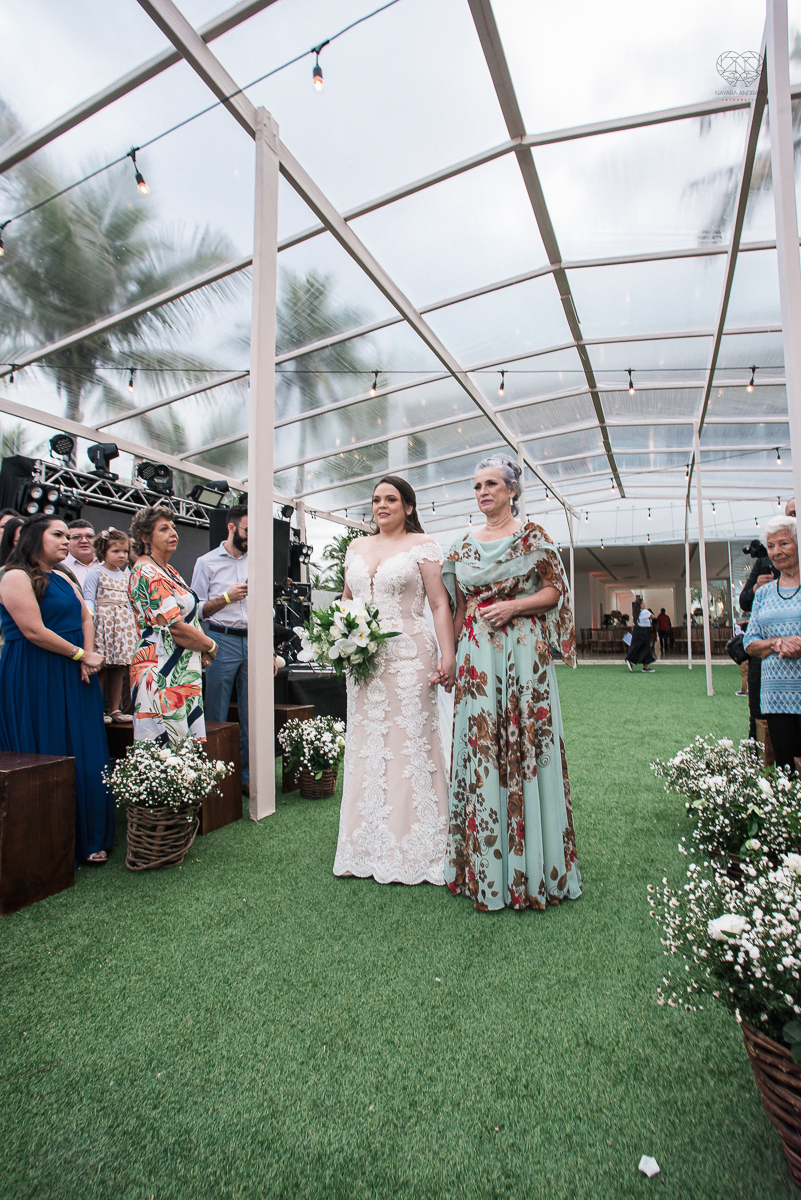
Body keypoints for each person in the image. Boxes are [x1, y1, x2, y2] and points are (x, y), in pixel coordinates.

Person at [442, 455, 581, 912]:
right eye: (477, 486)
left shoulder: (534, 538)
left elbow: (555, 592)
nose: (483, 492)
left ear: (512, 490)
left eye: (491, 484)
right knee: (482, 751)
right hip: (477, 660)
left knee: (528, 747)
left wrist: (515, 607)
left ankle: (535, 868)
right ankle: (483, 868)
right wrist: (450, 659)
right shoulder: (461, 545)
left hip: (524, 656)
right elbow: (458, 609)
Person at [333, 476, 455, 886]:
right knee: (367, 744)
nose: (381, 506)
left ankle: (419, 844)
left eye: (390, 499)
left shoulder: (423, 546)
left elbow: (439, 603)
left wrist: (448, 655)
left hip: (409, 656)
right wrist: (337, 637)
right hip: (362, 661)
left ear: (408, 506)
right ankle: (366, 844)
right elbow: (347, 601)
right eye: (376, 500)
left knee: (410, 743)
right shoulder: (356, 547)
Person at [0, 515, 113, 863]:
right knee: (46, 745)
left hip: (77, 672)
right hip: (35, 671)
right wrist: (80, 654)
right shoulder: (14, 576)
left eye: (68, 536)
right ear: (35, 538)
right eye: (59, 535)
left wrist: (88, 657)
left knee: (86, 746)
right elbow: (33, 630)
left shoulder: (62, 576)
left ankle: (90, 837)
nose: (67, 541)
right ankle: (50, 844)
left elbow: (85, 617)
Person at [127, 507, 218, 743]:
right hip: (161, 667)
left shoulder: (168, 570)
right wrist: (209, 645)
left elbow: (189, 617)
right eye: (163, 529)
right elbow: (173, 627)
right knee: (166, 746)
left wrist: (200, 646)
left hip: (182, 666)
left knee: (184, 746)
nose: (173, 533)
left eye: (173, 527)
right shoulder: (147, 572)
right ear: (145, 537)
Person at [191, 505, 250, 794]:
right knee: (216, 711)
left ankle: (247, 777)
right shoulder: (206, 563)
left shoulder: (258, 561)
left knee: (253, 713)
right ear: (231, 528)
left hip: (253, 639)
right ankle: (216, 781)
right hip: (220, 640)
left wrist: (268, 649)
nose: (251, 537)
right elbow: (196, 609)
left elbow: (267, 608)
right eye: (247, 530)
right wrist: (226, 597)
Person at [744, 515, 801, 774]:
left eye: (784, 544)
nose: (777, 551)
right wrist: (778, 643)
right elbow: (750, 643)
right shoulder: (764, 593)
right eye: (771, 546)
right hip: (775, 696)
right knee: (785, 770)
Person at [84, 529, 138, 726]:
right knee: (102, 668)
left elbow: (130, 601)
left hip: (122, 625)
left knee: (119, 668)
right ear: (103, 551)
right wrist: (90, 618)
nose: (122, 555)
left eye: (125, 551)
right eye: (115, 551)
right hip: (103, 623)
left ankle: (115, 709)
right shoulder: (95, 572)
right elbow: (89, 598)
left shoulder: (126, 576)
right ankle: (97, 708)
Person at [65, 519, 99, 589]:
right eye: (76, 537)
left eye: (89, 536)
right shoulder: (60, 567)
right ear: (67, 541)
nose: (84, 541)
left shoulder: (108, 564)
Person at [626, 603, 656, 672]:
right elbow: (653, 617)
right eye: (643, 603)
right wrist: (651, 614)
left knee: (641, 647)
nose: (644, 604)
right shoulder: (645, 611)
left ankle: (645, 667)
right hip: (644, 631)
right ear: (640, 605)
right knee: (645, 647)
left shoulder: (636, 613)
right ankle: (630, 659)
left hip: (638, 631)